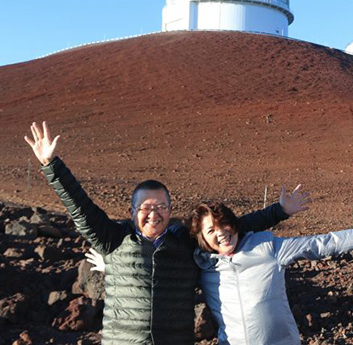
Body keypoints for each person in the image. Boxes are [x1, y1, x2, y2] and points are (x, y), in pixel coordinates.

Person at [24, 121, 309, 344]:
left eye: (160, 205)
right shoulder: (113, 239)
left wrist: (280, 211)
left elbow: (231, 228)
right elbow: (80, 207)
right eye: (145, 206)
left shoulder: (184, 241)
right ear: (133, 210)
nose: (153, 212)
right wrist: (52, 166)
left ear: (170, 209)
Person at [189, 202, 353, 345]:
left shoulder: (267, 248)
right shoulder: (202, 267)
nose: (221, 232)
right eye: (211, 230)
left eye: (225, 224)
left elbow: (321, 244)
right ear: (202, 239)